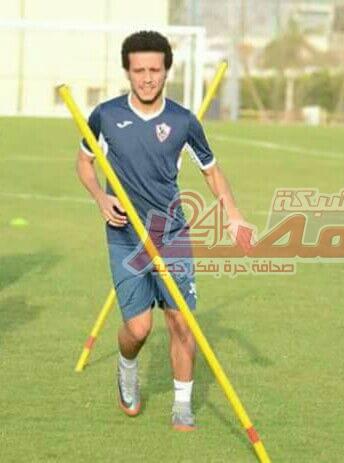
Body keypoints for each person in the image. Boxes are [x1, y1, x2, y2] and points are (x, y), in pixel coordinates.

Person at [76, 31, 251, 430]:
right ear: (127, 71)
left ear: (167, 71)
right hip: (125, 235)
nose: (147, 78)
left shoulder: (183, 120)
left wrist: (233, 214)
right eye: (139, 70)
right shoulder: (105, 115)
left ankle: (182, 405)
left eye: (154, 70)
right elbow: (84, 162)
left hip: (171, 234)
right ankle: (126, 366)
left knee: (181, 321)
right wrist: (100, 198)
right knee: (139, 329)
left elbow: (211, 171)